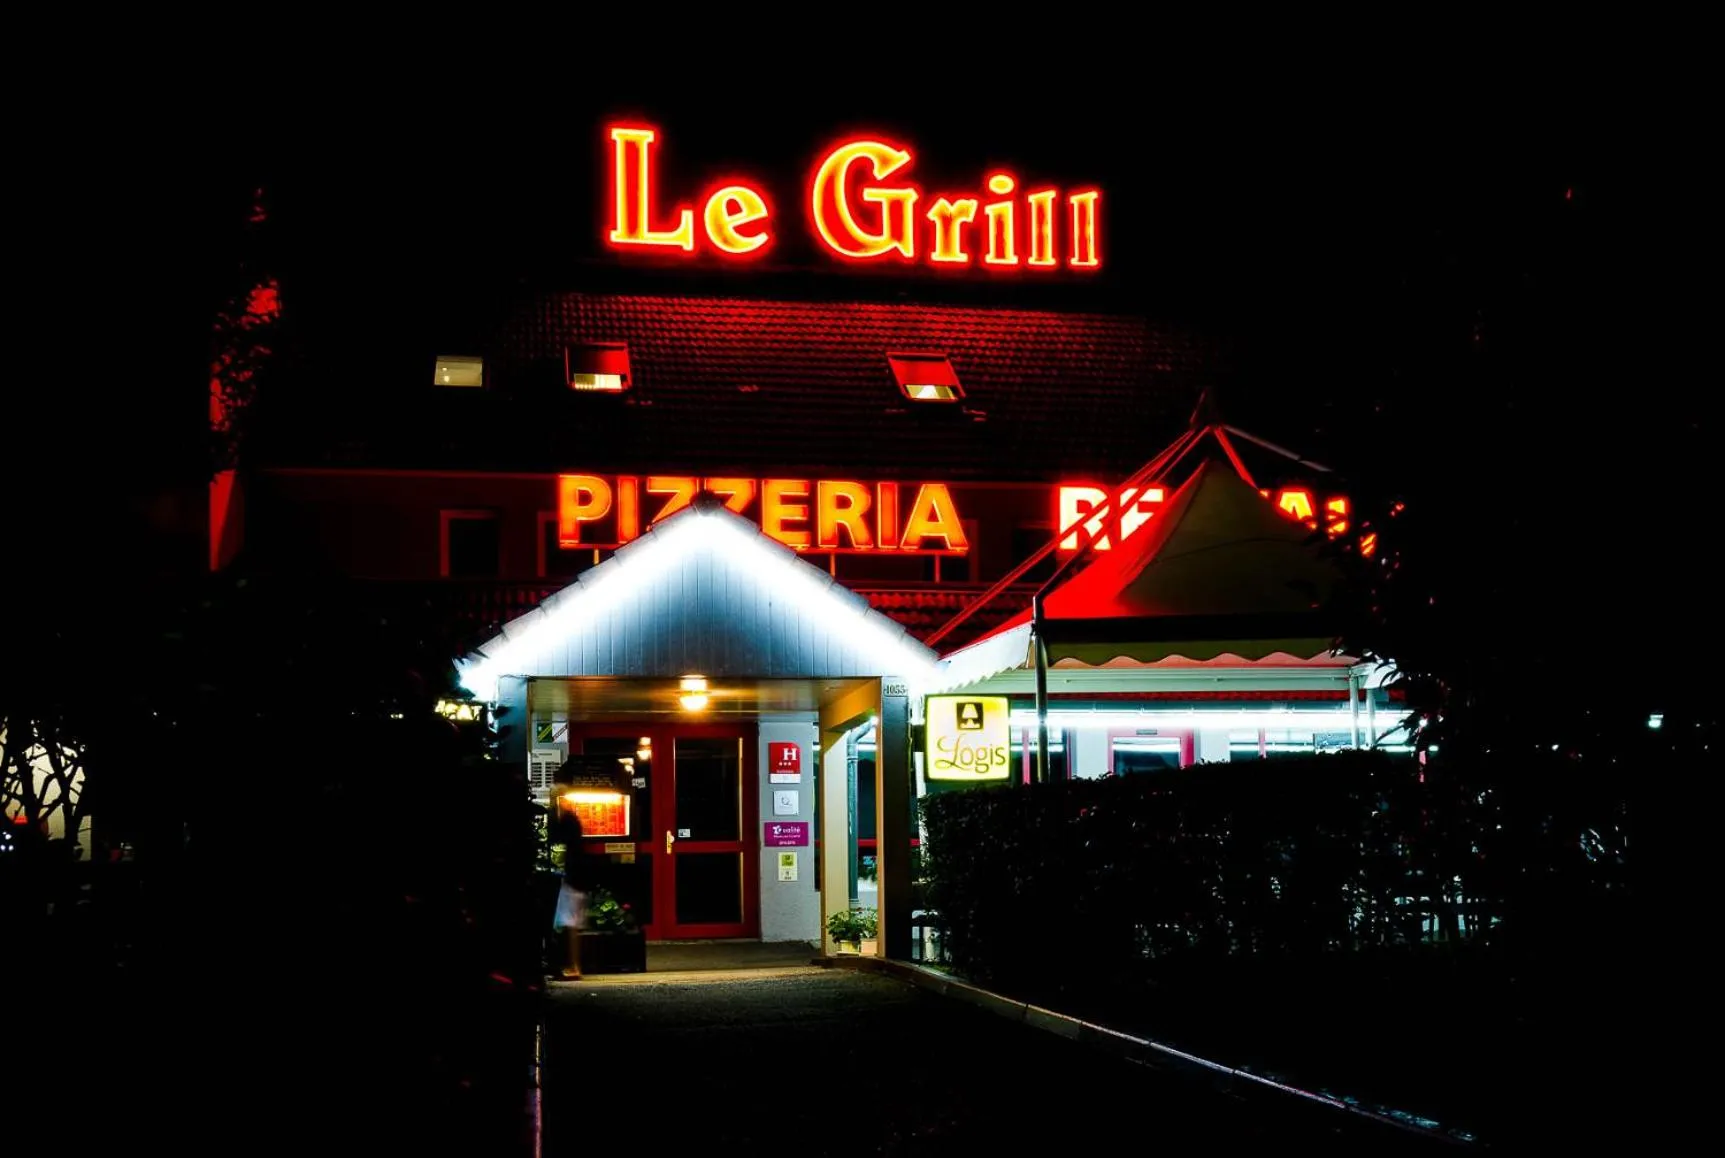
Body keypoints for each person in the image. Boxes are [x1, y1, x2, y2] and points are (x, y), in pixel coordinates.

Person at [552, 801, 589, 979]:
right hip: (577, 883)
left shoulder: (571, 852)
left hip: (571, 884)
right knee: (571, 926)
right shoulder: (578, 847)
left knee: (570, 926)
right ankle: (573, 965)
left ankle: (574, 966)